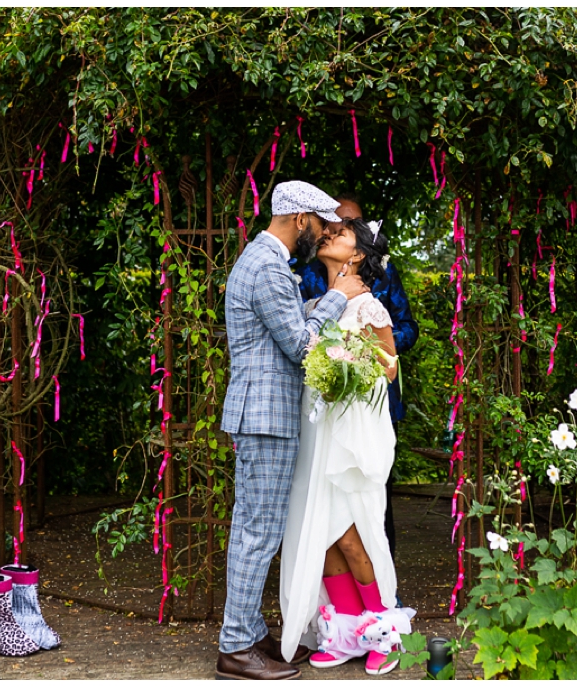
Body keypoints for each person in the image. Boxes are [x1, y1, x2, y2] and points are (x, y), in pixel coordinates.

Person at [216, 180, 370, 681]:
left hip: (265, 417)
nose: (326, 230)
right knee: (255, 533)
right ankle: (235, 648)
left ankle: (250, 632)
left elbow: (279, 327)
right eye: (322, 223)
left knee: (256, 531)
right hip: (265, 418)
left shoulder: (264, 261)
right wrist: (336, 296)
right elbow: (300, 347)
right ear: (300, 219)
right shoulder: (264, 265)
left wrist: (315, 306)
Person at [280, 217, 415, 676]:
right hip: (316, 430)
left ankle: (384, 633)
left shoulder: (370, 307)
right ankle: (345, 632)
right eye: (330, 231)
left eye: (342, 234)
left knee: (352, 535)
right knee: (323, 537)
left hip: (351, 433)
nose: (330, 235)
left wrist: (352, 365)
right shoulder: (319, 302)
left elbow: (390, 368)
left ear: (357, 255)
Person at [296, 195, 419, 559]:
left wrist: (365, 349)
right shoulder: (307, 276)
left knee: (373, 500)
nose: (337, 230)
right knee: (324, 500)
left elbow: (406, 329)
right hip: (323, 406)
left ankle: (381, 584)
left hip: (371, 401)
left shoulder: (383, 274)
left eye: (349, 226)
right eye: (335, 223)